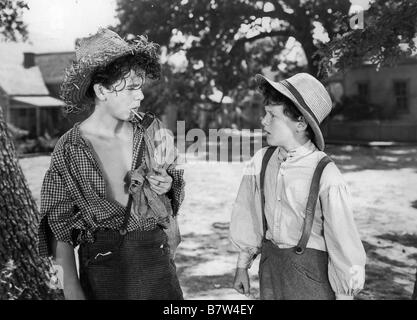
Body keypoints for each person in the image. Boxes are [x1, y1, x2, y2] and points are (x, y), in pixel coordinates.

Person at [37, 28, 184, 300]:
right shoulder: (69, 149)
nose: (140, 96)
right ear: (102, 90)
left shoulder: (152, 131)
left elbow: (172, 198)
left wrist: (167, 185)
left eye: (140, 87)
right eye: (131, 88)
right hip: (104, 277)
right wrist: (72, 292)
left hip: (159, 272)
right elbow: (58, 231)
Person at [230, 72, 366, 300]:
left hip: (312, 281)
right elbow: (248, 214)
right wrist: (242, 266)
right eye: (265, 113)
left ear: (300, 123)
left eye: (272, 116)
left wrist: (345, 295)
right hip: (271, 271)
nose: (264, 121)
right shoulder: (261, 161)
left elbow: (343, 241)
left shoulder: (325, 173)